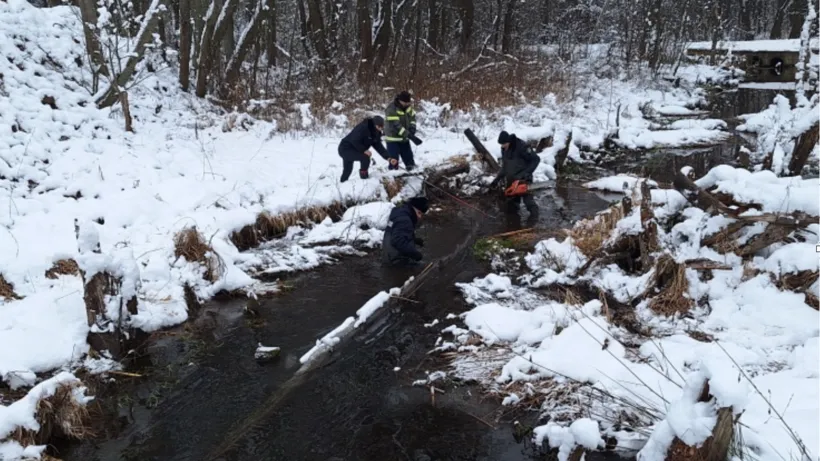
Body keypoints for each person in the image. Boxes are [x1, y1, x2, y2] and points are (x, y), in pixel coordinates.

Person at [490, 131, 541, 217]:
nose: (502, 146)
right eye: (501, 144)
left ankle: (535, 224)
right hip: (511, 181)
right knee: (512, 207)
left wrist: (526, 173)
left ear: (509, 141)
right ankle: (514, 225)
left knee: (529, 203)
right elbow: (505, 166)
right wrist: (496, 180)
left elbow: (536, 159)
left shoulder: (522, 146)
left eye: (504, 144)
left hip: (523, 180)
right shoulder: (504, 150)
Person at [338, 115, 390, 182]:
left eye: (382, 127)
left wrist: (388, 157)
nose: (380, 129)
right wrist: (364, 150)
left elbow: (379, 146)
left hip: (355, 149)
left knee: (348, 170)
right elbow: (354, 140)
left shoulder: (376, 133)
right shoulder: (363, 127)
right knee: (365, 158)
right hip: (345, 148)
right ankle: (364, 179)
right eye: (379, 126)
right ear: (374, 124)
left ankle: (343, 183)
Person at [382, 196, 429, 266]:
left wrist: (414, 240)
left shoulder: (400, 212)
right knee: (424, 267)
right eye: (419, 213)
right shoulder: (405, 220)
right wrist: (415, 254)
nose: (420, 217)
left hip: (388, 254)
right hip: (396, 259)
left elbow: (398, 233)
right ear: (413, 208)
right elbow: (398, 241)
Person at [384, 90, 419, 171]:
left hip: (404, 138)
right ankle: (393, 176)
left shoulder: (408, 107)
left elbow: (412, 118)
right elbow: (396, 126)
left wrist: (412, 127)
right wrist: (409, 135)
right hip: (393, 138)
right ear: (400, 100)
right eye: (405, 103)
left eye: (408, 103)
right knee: (394, 160)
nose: (407, 104)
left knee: (408, 157)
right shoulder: (391, 109)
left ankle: (412, 171)